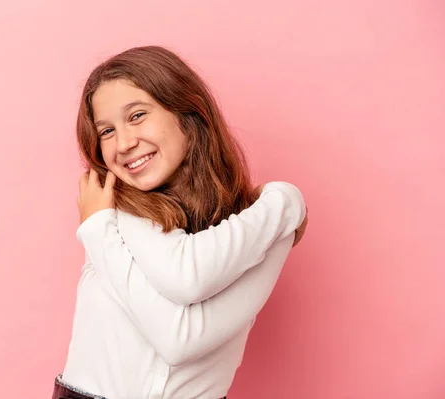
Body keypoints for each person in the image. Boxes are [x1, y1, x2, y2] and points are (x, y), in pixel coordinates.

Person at [53, 46, 308, 399]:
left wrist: (282, 201)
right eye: (106, 131)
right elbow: (183, 308)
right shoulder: (114, 213)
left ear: (187, 113)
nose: (124, 143)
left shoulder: (260, 224)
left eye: (137, 115)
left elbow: (184, 333)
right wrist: (286, 201)